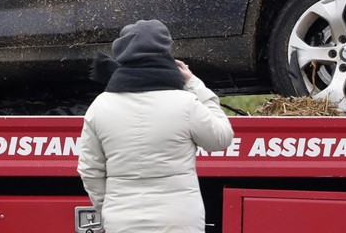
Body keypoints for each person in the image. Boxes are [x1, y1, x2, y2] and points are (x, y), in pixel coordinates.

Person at [77, 19, 234, 233]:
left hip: (122, 220)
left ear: (122, 55)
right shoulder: (185, 103)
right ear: (165, 54)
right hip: (179, 220)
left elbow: (89, 170)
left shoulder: (100, 107)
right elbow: (221, 138)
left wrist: (108, 209)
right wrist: (194, 84)